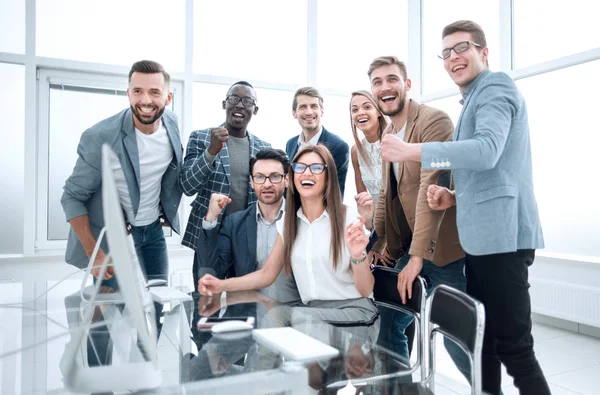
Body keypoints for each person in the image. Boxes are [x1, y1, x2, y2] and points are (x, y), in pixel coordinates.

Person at [381, 21, 550, 394]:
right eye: (447, 53)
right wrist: (453, 197)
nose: (454, 58)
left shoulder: (496, 85)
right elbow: (496, 168)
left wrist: (411, 151)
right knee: (484, 346)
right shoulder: (472, 99)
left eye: (463, 48)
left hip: (502, 239)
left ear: (483, 52)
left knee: (514, 348)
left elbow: (488, 150)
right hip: (481, 241)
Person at [198, 144, 378, 325]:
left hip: (354, 311)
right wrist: (220, 285)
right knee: (279, 318)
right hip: (313, 314)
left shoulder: (348, 218)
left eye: (316, 168)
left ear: (328, 176)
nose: (307, 173)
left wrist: (358, 256)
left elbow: (366, 290)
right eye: (300, 167)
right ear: (292, 179)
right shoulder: (288, 223)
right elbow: (266, 275)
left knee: (286, 316)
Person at [368, 56, 469, 375]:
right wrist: (380, 241)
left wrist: (415, 257)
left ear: (407, 84)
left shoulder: (433, 120)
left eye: (392, 79)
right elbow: (388, 193)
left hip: (444, 253)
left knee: (456, 338)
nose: (385, 87)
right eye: (377, 82)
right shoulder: (389, 133)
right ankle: (397, 387)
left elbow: (431, 184)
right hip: (410, 249)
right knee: (389, 321)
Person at [61, 59, 183, 285]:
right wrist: (93, 252)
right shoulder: (101, 137)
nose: (146, 100)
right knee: (112, 312)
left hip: (153, 230)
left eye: (154, 92)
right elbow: (71, 197)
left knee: (157, 304)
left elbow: (167, 171)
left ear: (168, 98)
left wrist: (164, 205)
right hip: (115, 238)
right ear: (128, 93)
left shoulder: (172, 122)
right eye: (138, 91)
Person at [180, 81, 271, 287]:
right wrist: (211, 152)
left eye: (247, 101)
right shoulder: (201, 138)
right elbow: (187, 186)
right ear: (224, 104)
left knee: (243, 305)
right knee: (205, 303)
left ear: (254, 110)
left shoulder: (264, 148)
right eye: (234, 99)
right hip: (209, 237)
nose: (239, 105)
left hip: (247, 240)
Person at [197, 148, 300, 303]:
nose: (267, 184)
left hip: (295, 314)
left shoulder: (300, 219)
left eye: (274, 177)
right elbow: (213, 272)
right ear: (251, 182)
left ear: (286, 180)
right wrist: (211, 219)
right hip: (249, 314)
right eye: (259, 177)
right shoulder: (235, 223)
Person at [285, 87, 350, 197]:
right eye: (303, 107)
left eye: (314, 106)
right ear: (294, 113)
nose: (309, 112)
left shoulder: (338, 146)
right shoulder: (290, 144)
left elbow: (336, 195)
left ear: (322, 111)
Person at [349, 90, 389, 203]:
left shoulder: (395, 141)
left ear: (379, 112)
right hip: (375, 218)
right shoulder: (355, 151)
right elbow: (362, 197)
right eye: (355, 110)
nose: (360, 112)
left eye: (367, 107)